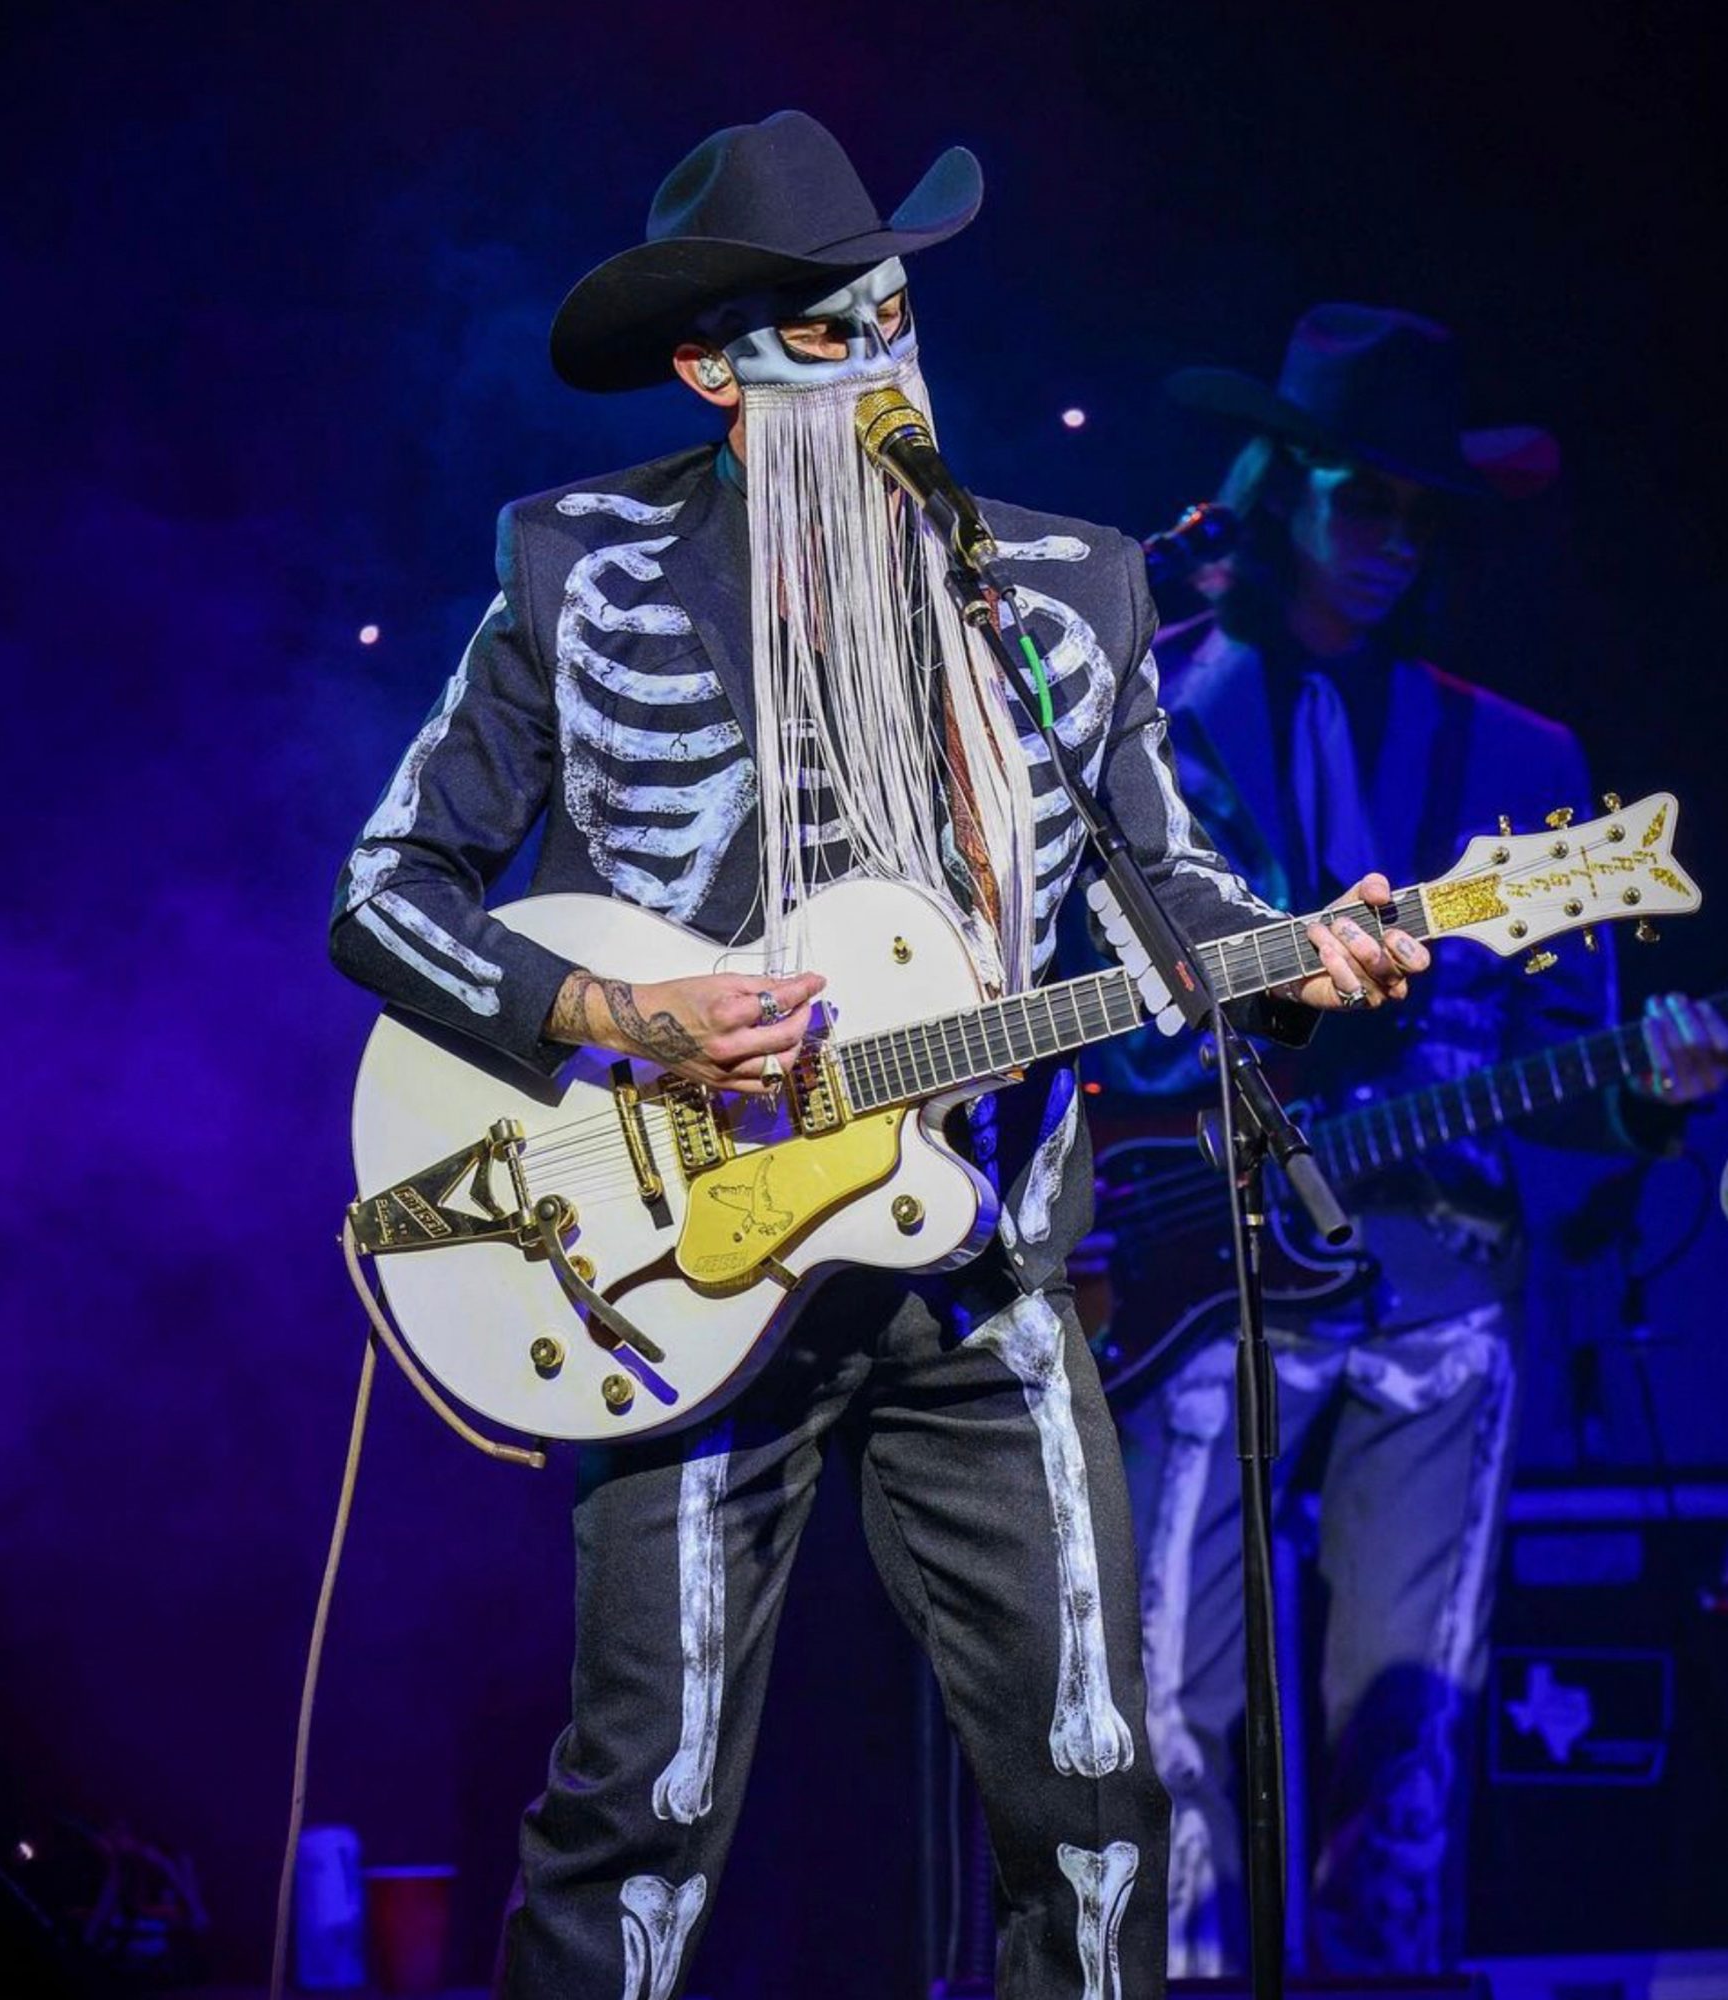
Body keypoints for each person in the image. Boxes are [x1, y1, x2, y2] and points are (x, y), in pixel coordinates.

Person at [327, 120, 1432, 1998]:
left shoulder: (1065, 586)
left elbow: (1160, 886)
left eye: (895, 317)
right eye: (829, 335)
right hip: (670, 1271)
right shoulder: (580, 568)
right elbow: (384, 893)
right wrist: (618, 1013)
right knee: (642, 1803)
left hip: (978, 1265)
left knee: (1096, 1800)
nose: (882, 363)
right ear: (712, 367)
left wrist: (1295, 962)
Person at [1088, 304, 1728, 1978]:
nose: (1393, 542)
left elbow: (1552, 1064)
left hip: (1435, 1283)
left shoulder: (1520, 759)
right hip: (1203, 1274)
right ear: (1277, 488)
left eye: (1420, 515)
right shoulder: (1148, 717)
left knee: (1409, 1717)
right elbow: (1099, 1013)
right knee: (1168, 1702)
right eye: (1361, 499)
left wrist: (1642, 1094)